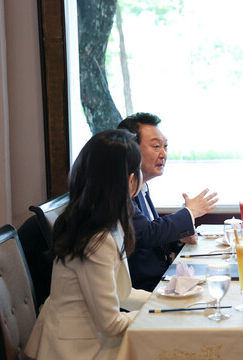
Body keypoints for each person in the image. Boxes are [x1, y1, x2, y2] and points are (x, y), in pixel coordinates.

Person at [25, 130, 145, 359]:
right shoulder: (96, 239)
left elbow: (120, 294)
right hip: (72, 351)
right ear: (130, 181)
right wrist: (154, 313)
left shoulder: (100, 221)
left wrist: (163, 300)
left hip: (85, 341)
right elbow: (111, 324)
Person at [117, 112, 218, 291]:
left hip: (158, 282)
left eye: (166, 147)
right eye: (156, 146)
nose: (163, 154)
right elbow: (145, 234)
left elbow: (153, 233)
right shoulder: (119, 192)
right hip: (142, 289)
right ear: (130, 149)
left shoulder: (142, 187)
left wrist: (180, 237)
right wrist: (189, 213)